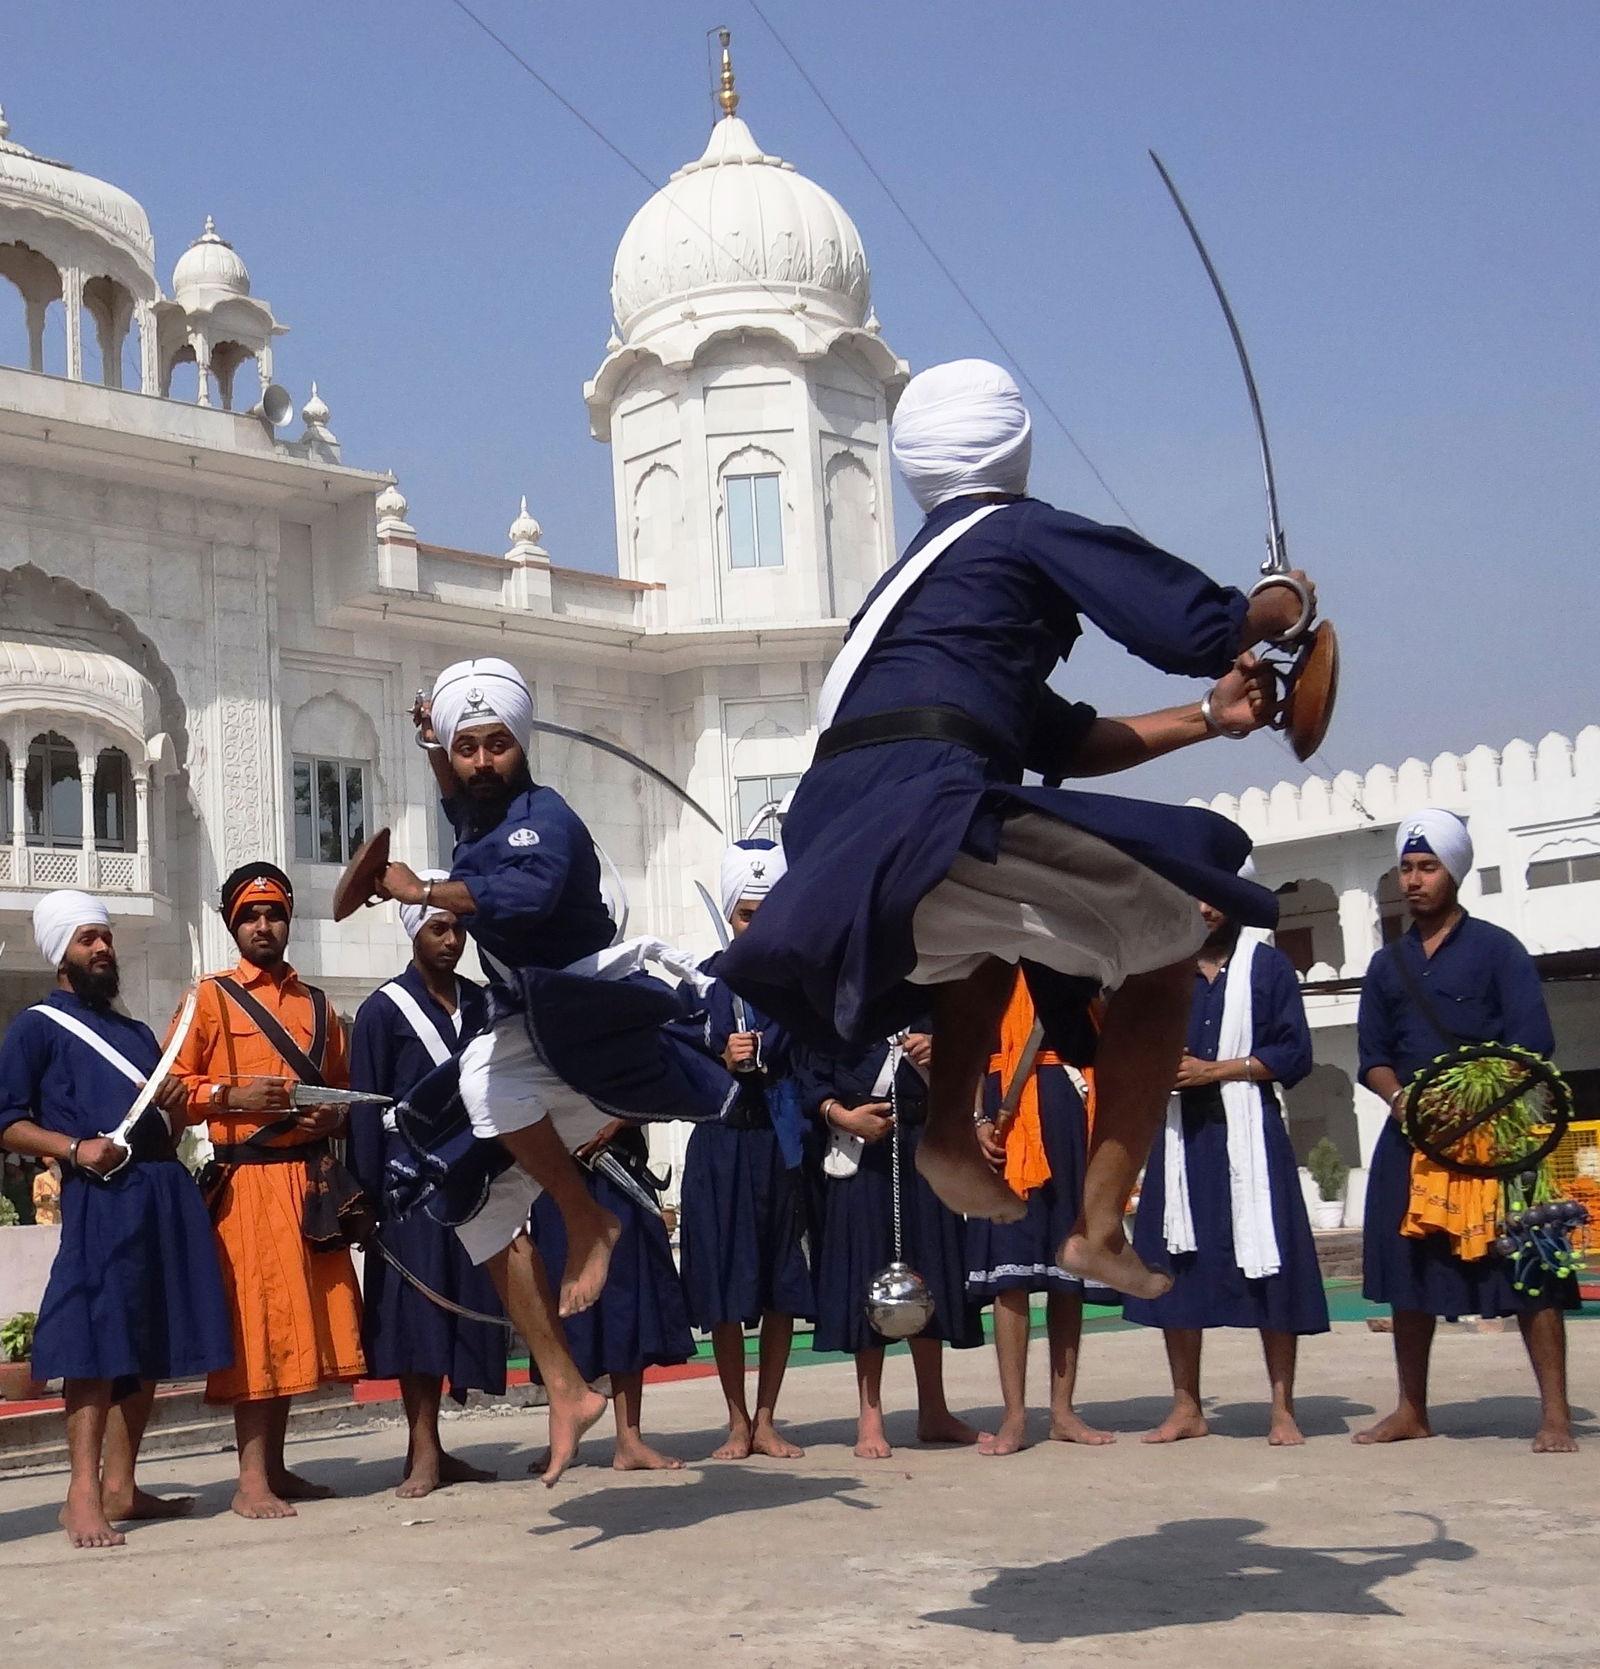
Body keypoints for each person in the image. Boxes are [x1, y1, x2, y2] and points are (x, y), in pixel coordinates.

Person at [720, 358, 1309, 1299]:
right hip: (930, 802)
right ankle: (1102, 1225)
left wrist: (1210, 715)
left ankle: (951, 1126)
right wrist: (1262, 612)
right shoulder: (1017, 531)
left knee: (987, 933)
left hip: (841, 829)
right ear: (1014, 447)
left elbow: (1061, 739)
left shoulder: (908, 599)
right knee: (1167, 937)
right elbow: (1179, 618)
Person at [377, 656, 734, 1483]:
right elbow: (459, 800)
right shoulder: (481, 817)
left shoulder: (546, 820)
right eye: (468, 748)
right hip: (540, 1034)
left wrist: (421, 885)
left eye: (495, 744)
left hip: (588, 1016)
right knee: (466, 1203)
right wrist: (434, 742)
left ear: (522, 743)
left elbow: (528, 900)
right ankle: (567, 1387)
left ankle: (587, 1220)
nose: (479, 762)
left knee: (481, 1086)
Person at [0, 892, 231, 1549]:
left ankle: (122, 1485)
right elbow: (5, 1118)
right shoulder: (36, 1027)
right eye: (87, 940)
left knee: (148, 1334)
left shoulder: (133, 1033)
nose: (102, 949)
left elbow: (161, 1123)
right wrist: (74, 1148)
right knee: (95, 1341)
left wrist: (179, 1108)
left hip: (162, 1188)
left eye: (104, 937)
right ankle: (80, 1495)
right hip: (100, 1196)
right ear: (61, 954)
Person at [1356, 809, 1578, 1453]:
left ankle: (1555, 1416)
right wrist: (1403, 1102)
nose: (1415, 880)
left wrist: (1474, 1105)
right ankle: (1411, 1410)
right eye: (1407, 867)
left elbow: (1533, 1042)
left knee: (1533, 1270)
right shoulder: (1385, 965)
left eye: (1428, 868)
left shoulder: (1498, 949)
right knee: (1407, 1273)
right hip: (1412, 1138)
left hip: (1498, 1142)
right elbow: (1373, 1056)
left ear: (1454, 872)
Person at [171, 862, 366, 1519]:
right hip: (246, 1185)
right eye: (250, 915)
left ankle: (277, 1467)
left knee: (294, 1325)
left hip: (308, 1183)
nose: (263, 924)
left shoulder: (319, 1006)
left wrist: (328, 1117)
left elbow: (340, 1093)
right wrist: (233, 1094)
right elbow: (170, 1089)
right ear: (233, 923)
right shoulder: (210, 997)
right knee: (256, 1326)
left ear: (288, 920)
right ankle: (249, 1480)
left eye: (274, 913)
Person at [1124, 894, 1329, 1444]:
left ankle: (1283, 1407)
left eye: (1216, 898)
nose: (1204, 909)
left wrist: (1216, 1070)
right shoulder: (1162, 970)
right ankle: (1186, 1406)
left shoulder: (1268, 966)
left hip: (1252, 1139)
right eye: (1194, 898)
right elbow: (1132, 1042)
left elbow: (1295, 1054)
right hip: (1179, 1138)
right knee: (1174, 1269)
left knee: (1272, 1269)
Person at [348, 874, 505, 1498]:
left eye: (458, 928)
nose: (451, 940)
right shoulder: (383, 1010)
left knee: (464, 1304)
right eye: (438, 928)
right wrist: (366, 1194)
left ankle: (443, 1448)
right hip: (407, 1180)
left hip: (473, 1173)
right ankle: (421, 1451)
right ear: (415, 933)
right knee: (416, 1314)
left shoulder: (483, 1003)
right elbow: (365, 1104)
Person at [680, 840, 814, 1461]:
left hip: (779, 1141)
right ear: (731, 915)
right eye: (746, 916)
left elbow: (813, 1051)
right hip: (720, 1146)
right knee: (728, 1287)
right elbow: (676, 1061)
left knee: (779, 1281)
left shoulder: (795, 983)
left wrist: (768, 1048)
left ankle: (767, 1417)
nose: (756, 928)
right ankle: (735, 1419)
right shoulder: (701, 981)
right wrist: (719, 1051)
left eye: (768, 915)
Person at [799, 1028, 986, 1459]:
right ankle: (870, 1417)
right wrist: (841, 1116)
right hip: (861, 1148)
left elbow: (970, 1063)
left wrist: (943, 1052)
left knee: (930, 1272)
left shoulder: (928, 995)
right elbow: (809, 1079)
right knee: (869, 1275)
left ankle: (934, 1409)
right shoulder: (834, 1007)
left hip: (925, 1140)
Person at [967, 971, 1113, 1456]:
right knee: (1010, 1278)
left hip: (1067, 1106)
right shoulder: (983, 964)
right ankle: (1014, 1415)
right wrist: (978, 1119)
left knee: (1064, 1269)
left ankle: (1063, 1411)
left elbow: (1104, 1031)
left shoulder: (1075, 958)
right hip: (1006, 1114)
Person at [529, 1122, 694, 1471]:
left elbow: (652, 1088)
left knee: (626, 1302)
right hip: (556, 1167)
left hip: (617, 1165)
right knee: (560, 1301)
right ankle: (561, 1434)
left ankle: (629, 1438)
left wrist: (612, 1124)